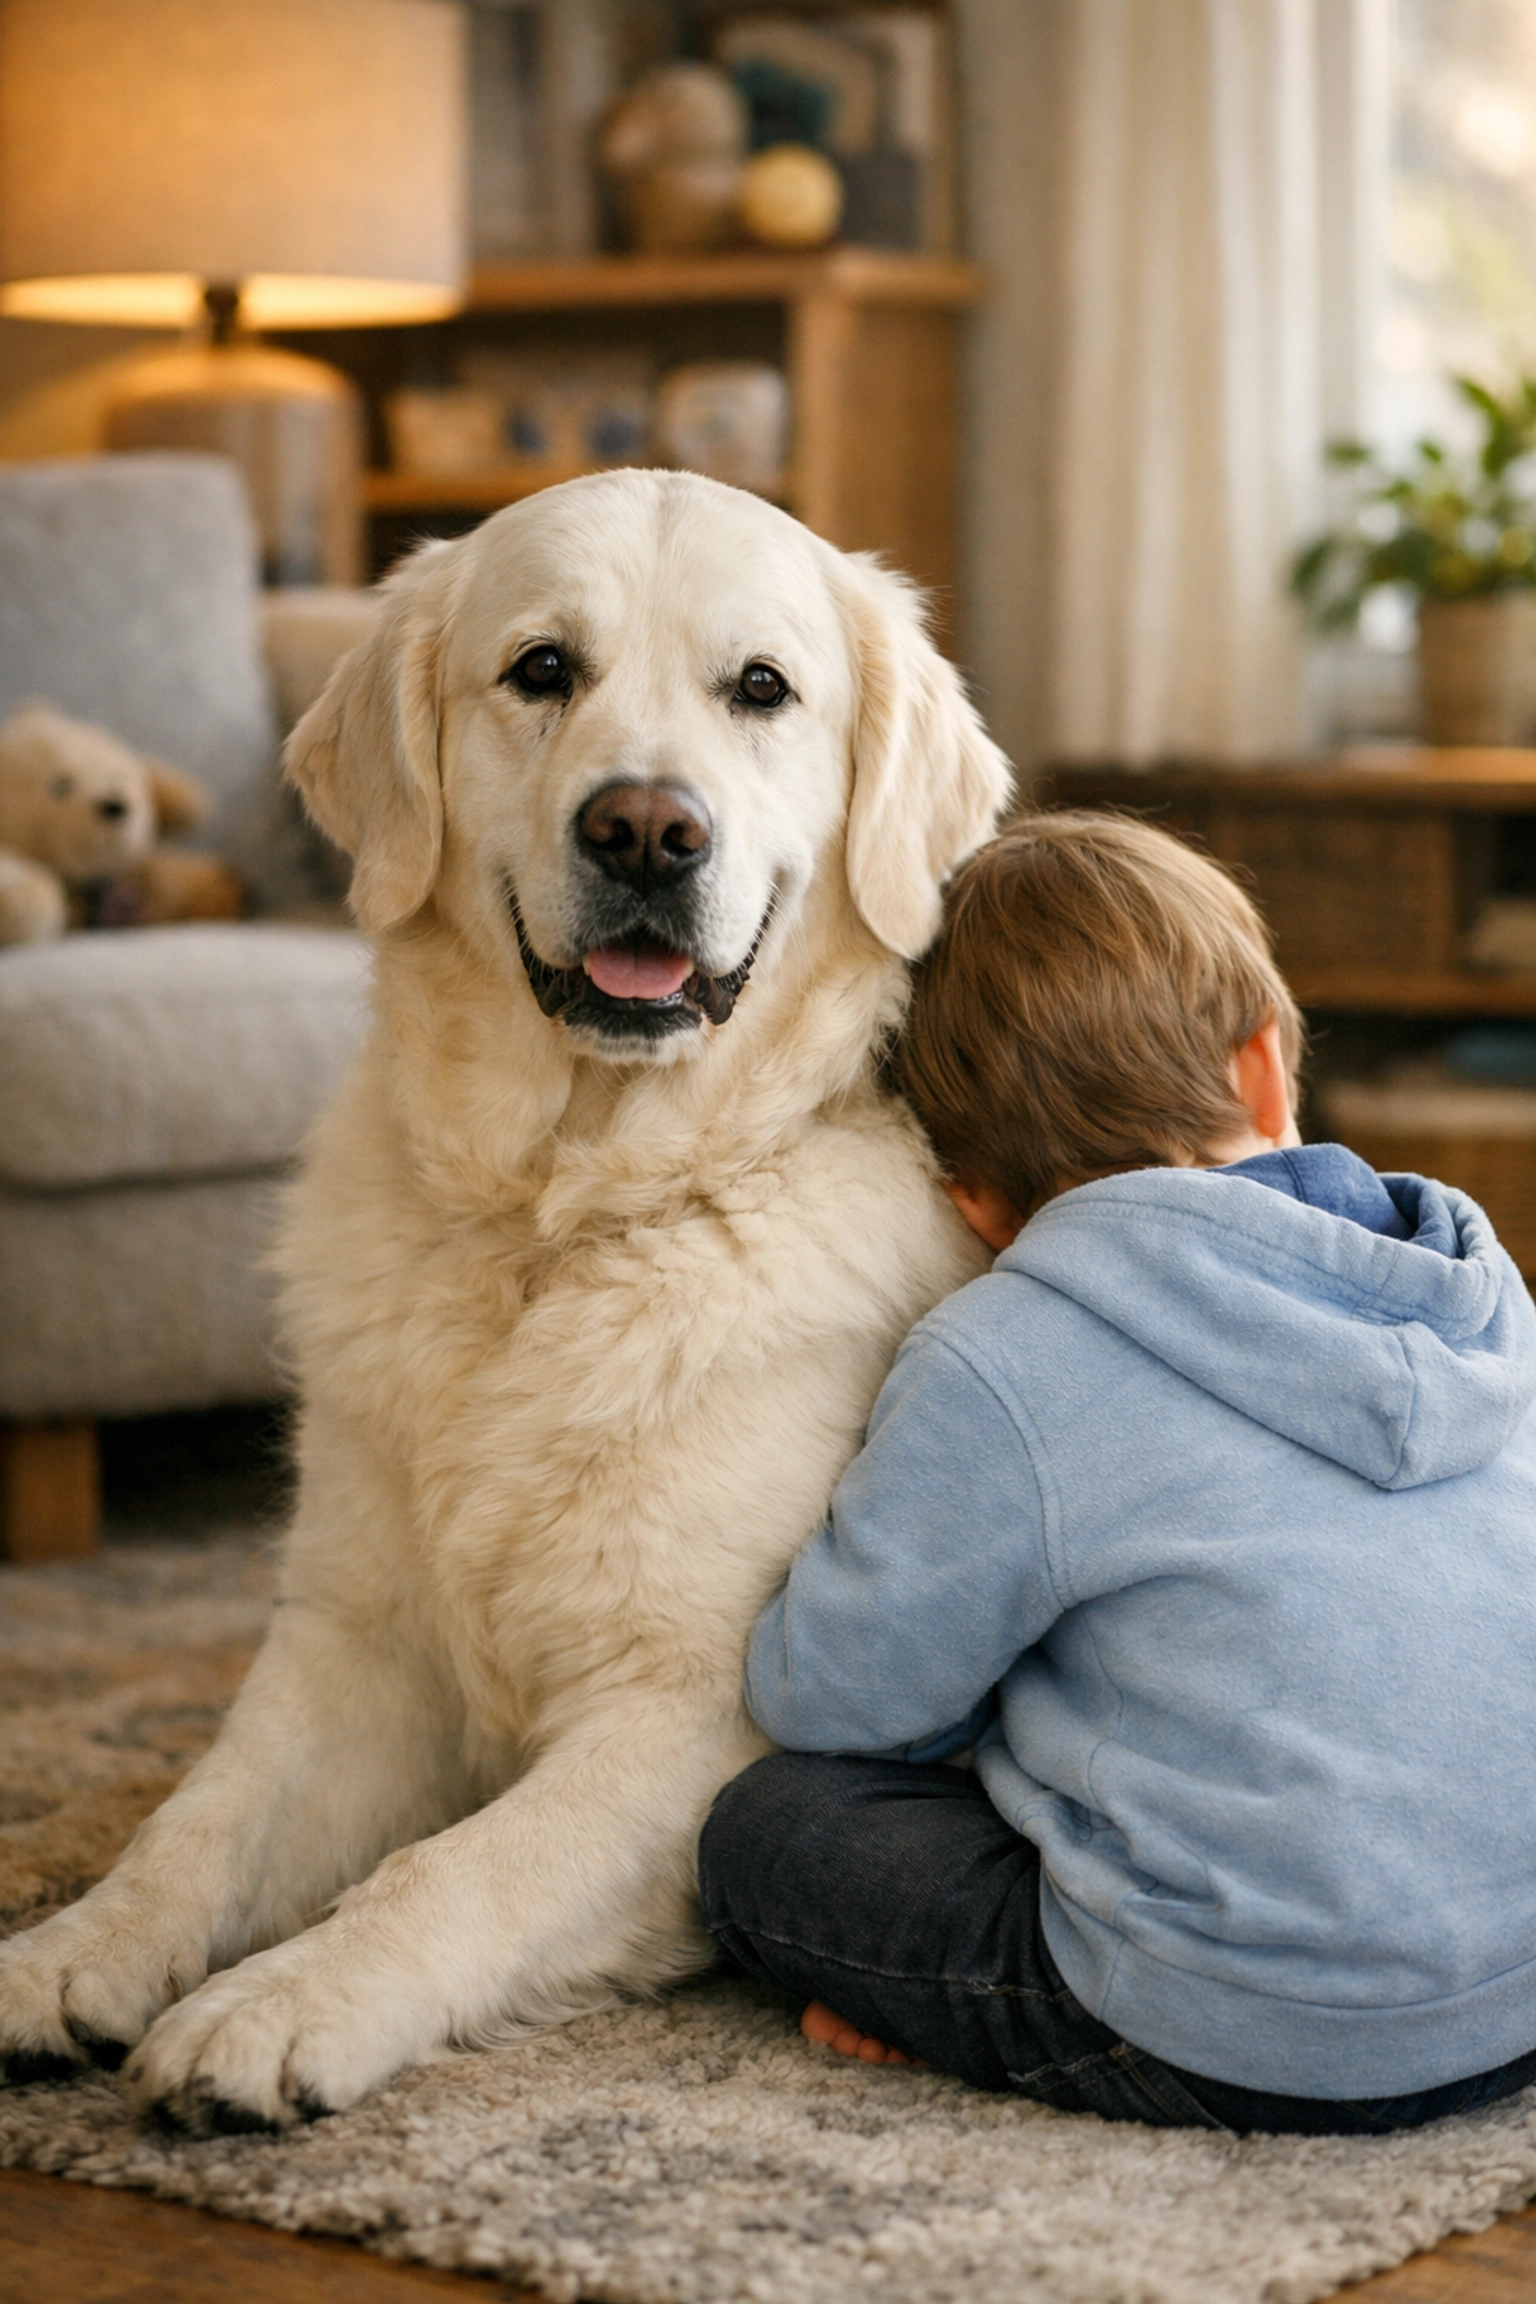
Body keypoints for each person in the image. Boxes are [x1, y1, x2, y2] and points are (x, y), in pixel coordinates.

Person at [698, 811, 1536, 2136]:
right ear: (1264, 1067)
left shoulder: (1004, 1352)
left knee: (765, 1836)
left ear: (968, 1200)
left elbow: (832, 1700)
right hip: (1514, 1993)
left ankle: (967, 2023)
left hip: (1253, 2031)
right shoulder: (1471, 1297)